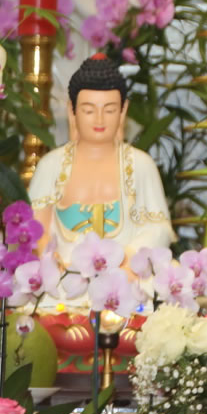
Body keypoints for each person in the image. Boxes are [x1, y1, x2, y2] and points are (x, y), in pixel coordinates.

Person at [27, 53, 173, 274]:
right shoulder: (51, 166)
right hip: (63, 280)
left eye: (110, 110)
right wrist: (50, 260)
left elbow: (160, 229)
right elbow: (34, 228)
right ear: (72, 111)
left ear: (123, 111)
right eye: (88, 110)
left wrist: (128, 261)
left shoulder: (141, 165)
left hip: (125, 280)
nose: (99, 119)